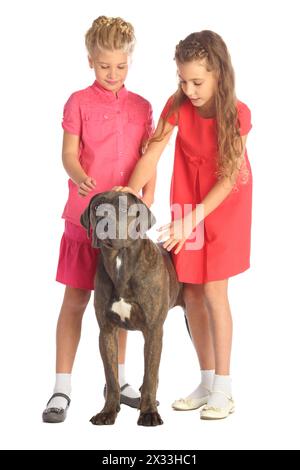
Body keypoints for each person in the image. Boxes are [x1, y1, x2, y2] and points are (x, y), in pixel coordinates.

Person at [113, 30, 253, 420]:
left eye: (197, 81)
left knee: (212, 291)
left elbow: (228, 179)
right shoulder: (177, 104)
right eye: (182, 79)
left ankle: (224, 387)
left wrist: (191, 219)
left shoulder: (237, 113)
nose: (188, 89)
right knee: (190, 292)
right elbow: (153, 152)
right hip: (188, 198)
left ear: (219, 75)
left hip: (225, 205)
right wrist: (132, 188)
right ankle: (206, 381)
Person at [42, 15, 156, 423]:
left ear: (130, 61)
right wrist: (79, 177)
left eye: (121, 66)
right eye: (105, 65)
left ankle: (119, 381)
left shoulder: (142, 107)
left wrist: (148, 199)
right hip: (85, 220)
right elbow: (69, 154)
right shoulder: (77, 102)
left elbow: (149, 158)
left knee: (122, 303)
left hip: (125, 229)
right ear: (90, 60)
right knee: (76, 300)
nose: (113, 74)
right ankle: (61, 387)